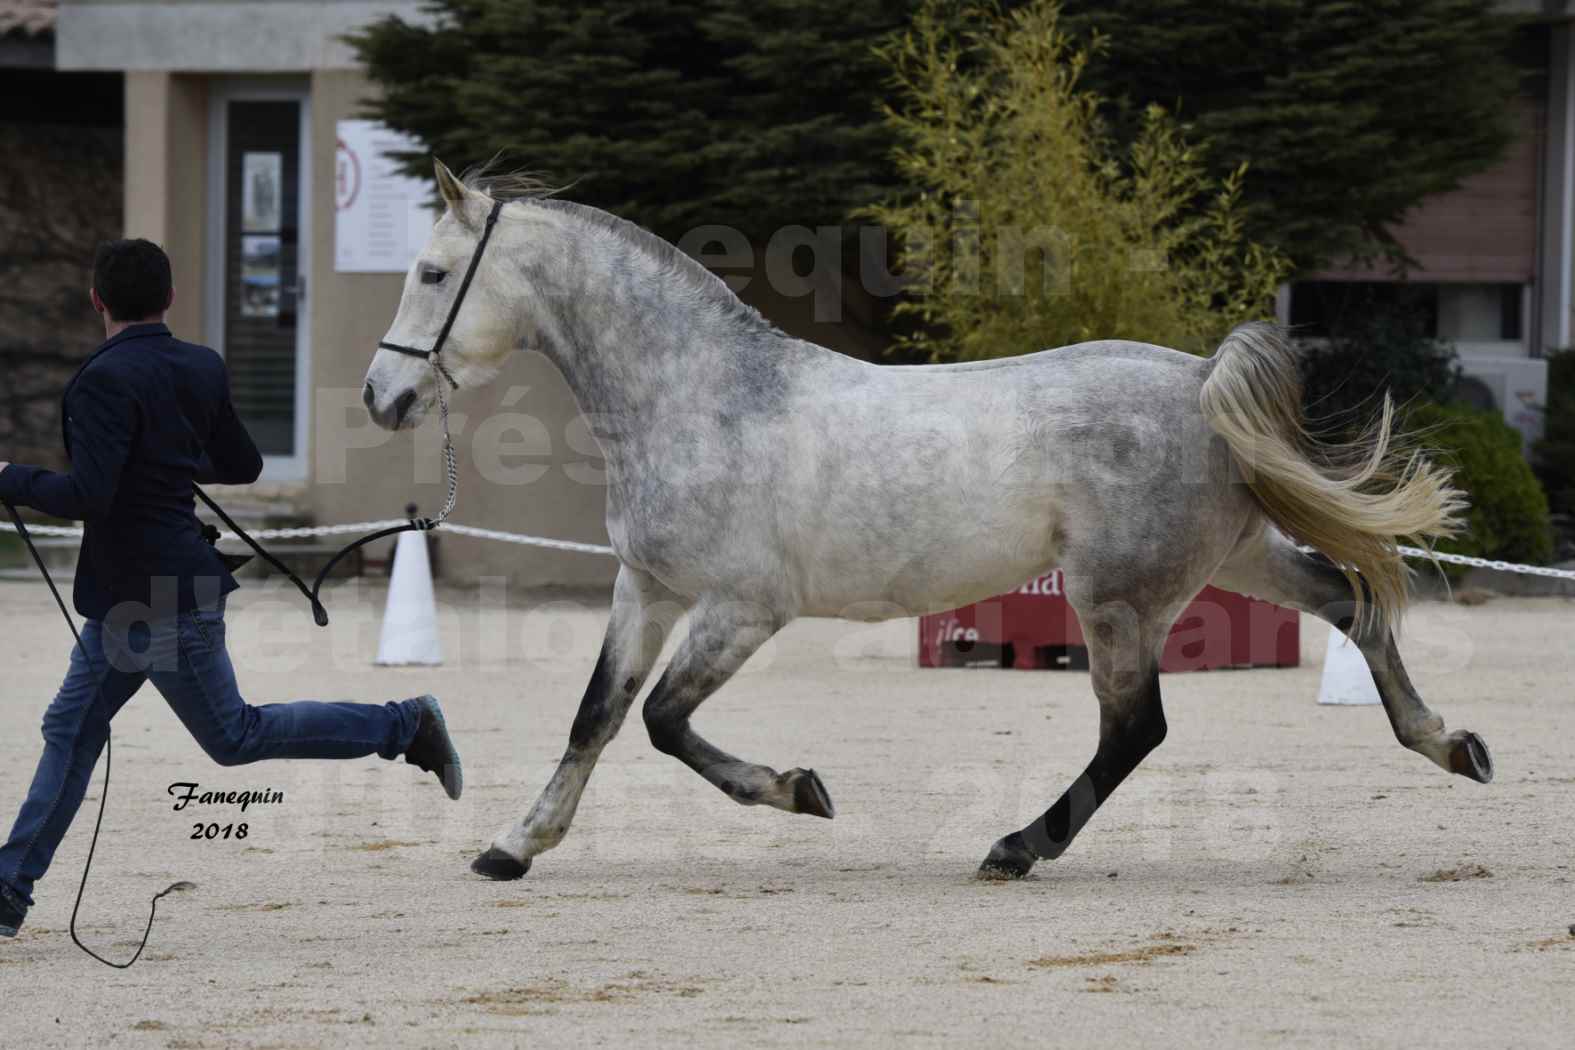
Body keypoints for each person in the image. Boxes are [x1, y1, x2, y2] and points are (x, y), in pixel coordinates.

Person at [0, 239, 461, 939]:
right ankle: (9, 890)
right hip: (136, 592)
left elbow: (89, 495)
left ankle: (404, 723)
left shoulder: (100, 380)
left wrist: (9, 475)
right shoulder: (200, 364)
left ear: (96, 300)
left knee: (233, 737)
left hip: (154, 595)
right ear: (170, 299)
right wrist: (165, 458)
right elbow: (242, 464)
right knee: (71, 729)